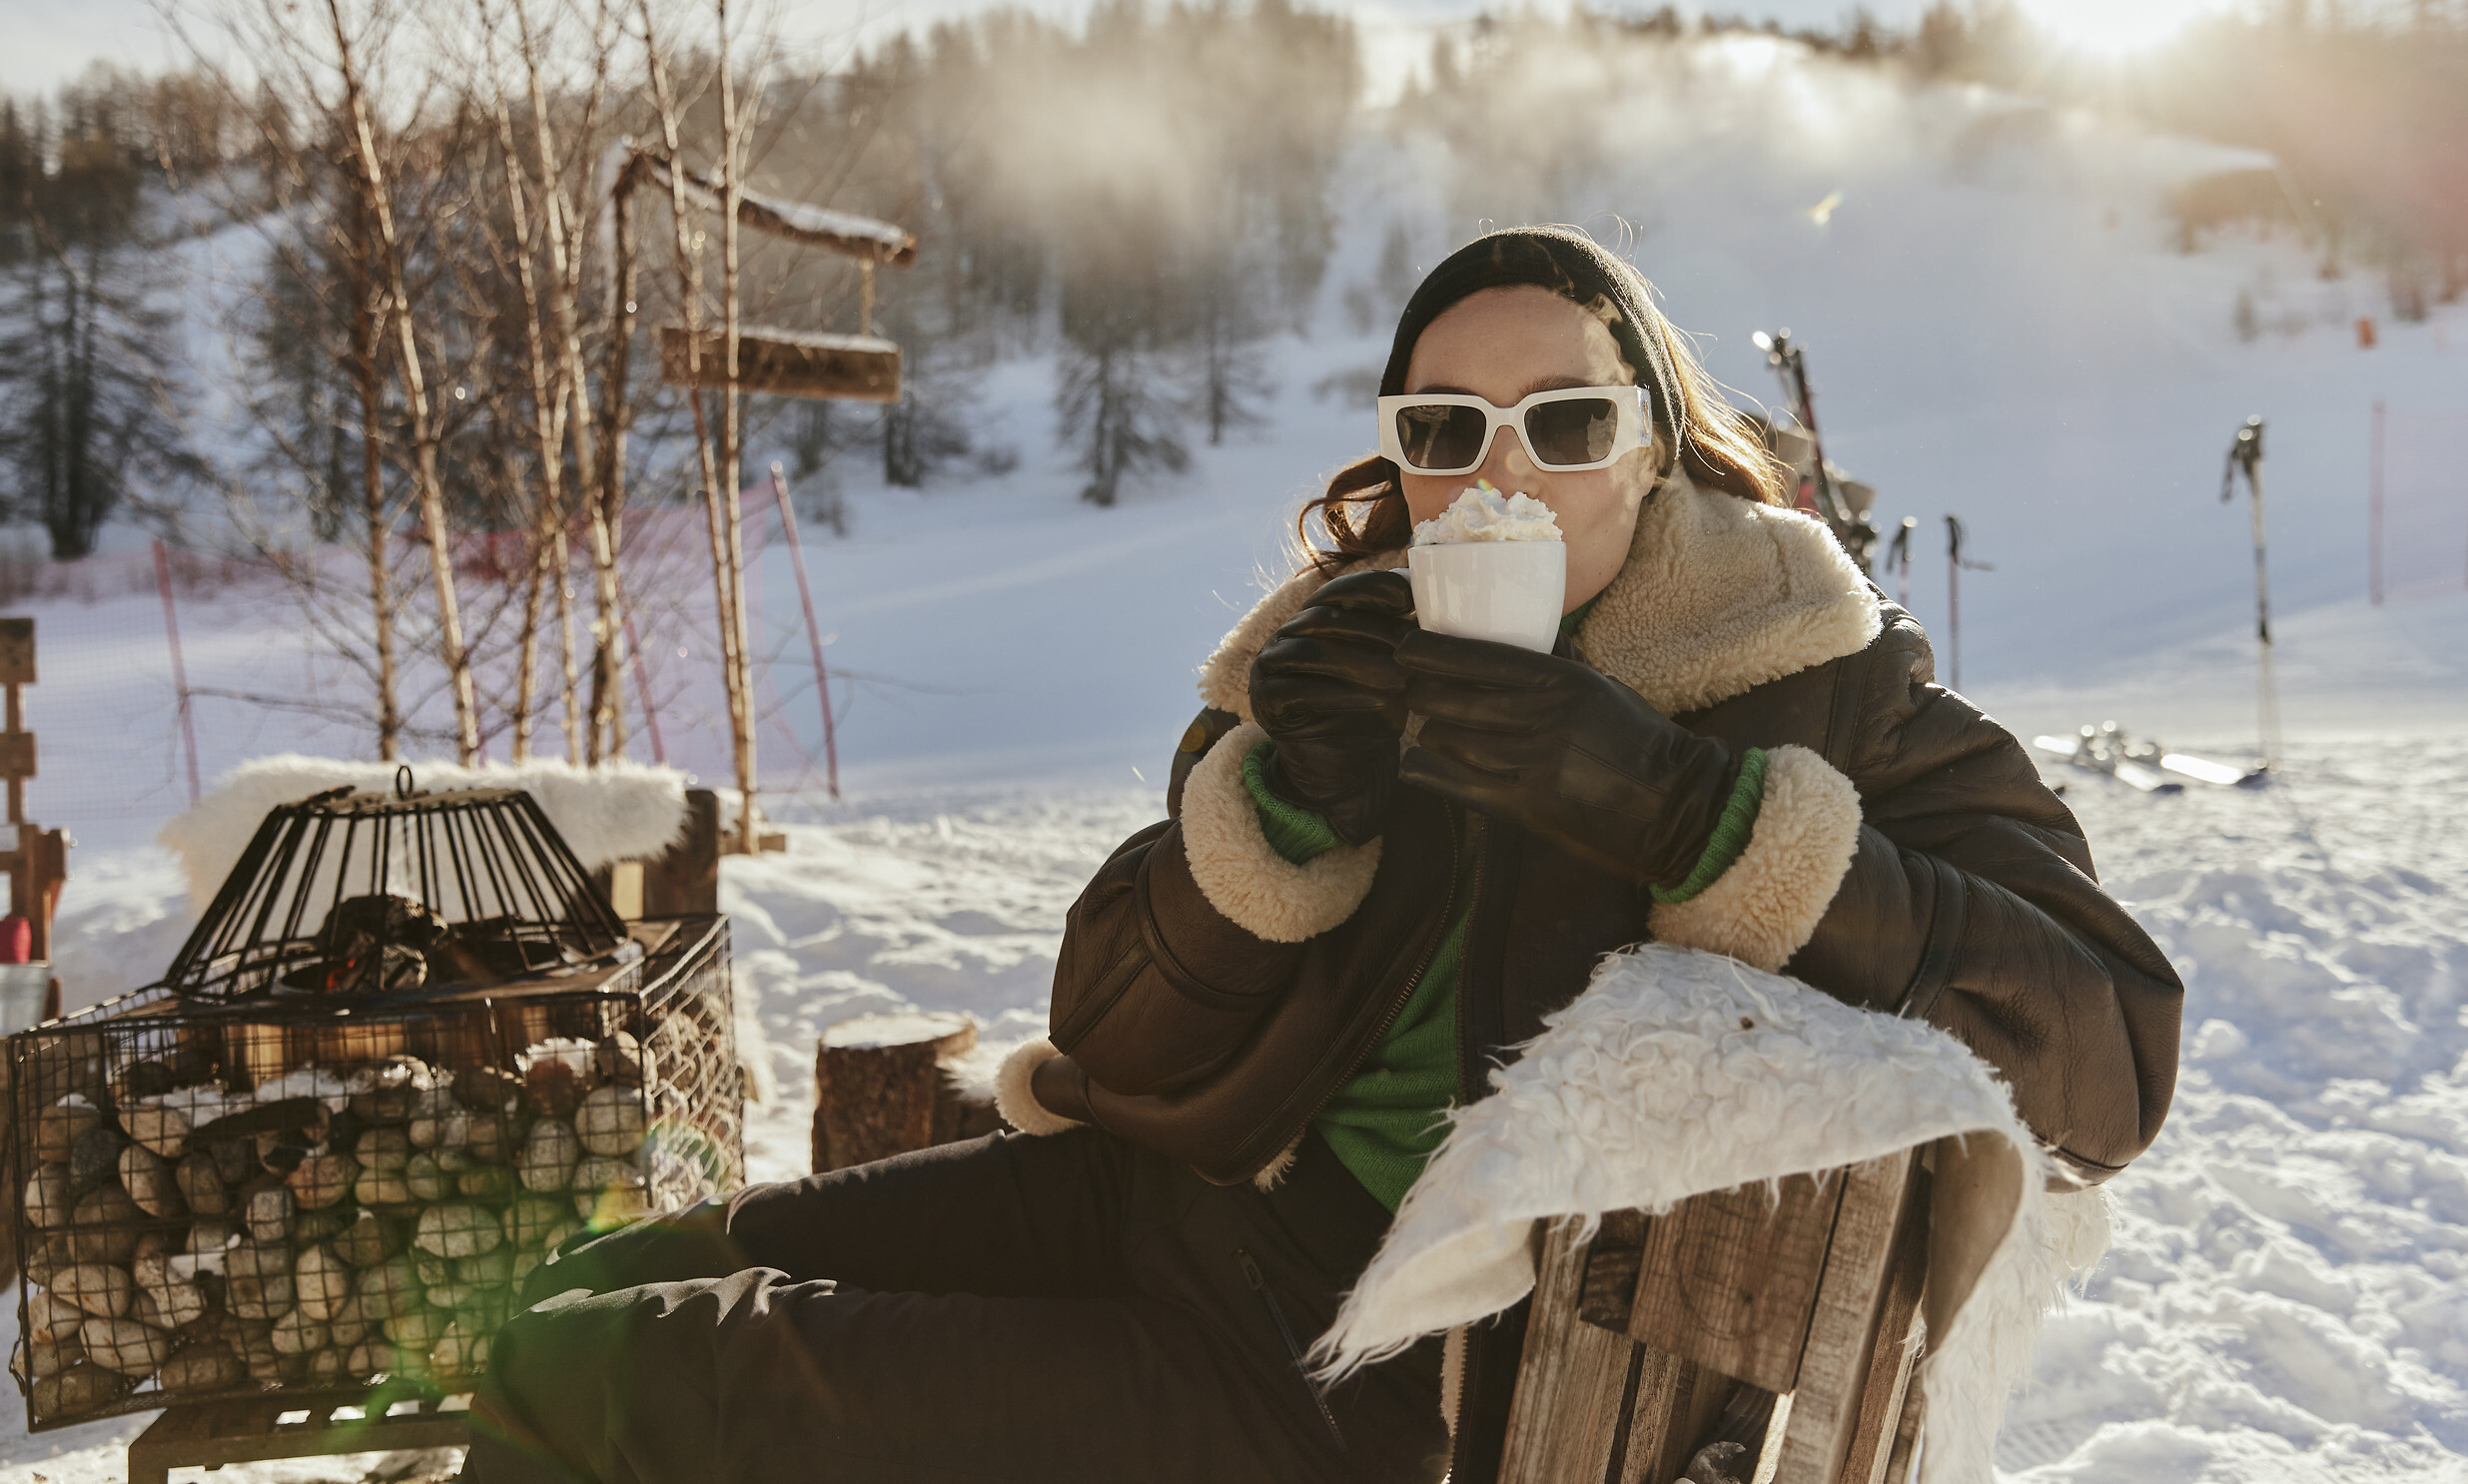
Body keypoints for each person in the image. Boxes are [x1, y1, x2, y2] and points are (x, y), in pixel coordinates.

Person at [461, 227, 2181, 1484]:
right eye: (1445, 432)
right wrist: (1276, 815)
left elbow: (2109, 1053)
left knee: (584, 1376)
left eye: (1565, 426)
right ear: (1402, 458)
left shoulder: (1816, 676)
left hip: (1359, 1377)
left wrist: (1687, 811)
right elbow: (1118, 1043)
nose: (1504, 475)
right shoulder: (1334, 660)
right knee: (607, 1278)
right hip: (1171, 1198)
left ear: (1651, 445)